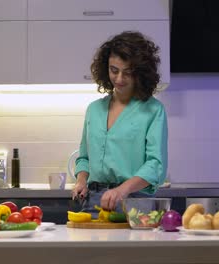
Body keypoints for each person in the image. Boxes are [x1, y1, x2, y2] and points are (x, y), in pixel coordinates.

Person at [71, 31, 168, 214]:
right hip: (93, 202)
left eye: (127, 73)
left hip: (135, 202)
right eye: (114, 70)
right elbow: (84, 158)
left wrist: (121, 190)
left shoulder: (153, 110)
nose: (119, 79)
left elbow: (155, 164)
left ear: (140, 73)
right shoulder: (94, 110)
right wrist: (81, 181)